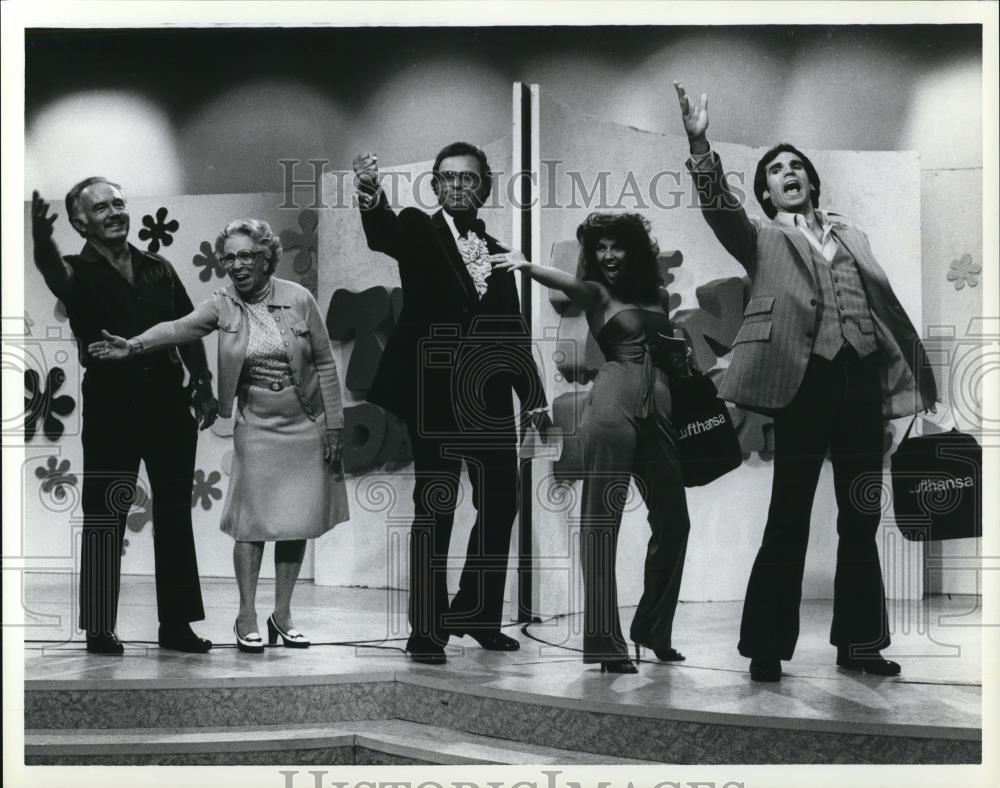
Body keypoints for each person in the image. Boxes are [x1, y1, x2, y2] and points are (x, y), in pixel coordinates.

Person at [673, 82, 937, 682]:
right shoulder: (763, 239)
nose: (788, 173)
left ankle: (860, 644)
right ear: (766, 192)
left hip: (861, 384)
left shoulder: (853, 237)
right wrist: (699, 143)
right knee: (788, 515)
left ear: (811, 183)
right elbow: (719, 208)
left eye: (796, 167)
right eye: (776, 171)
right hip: (802, 383)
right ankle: (766, 646)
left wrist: (899, 394)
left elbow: (880, 311)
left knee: (861, 515)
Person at [89, 218, 349, 653]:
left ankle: (282, 615)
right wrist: (132, 346)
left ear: (267, 257)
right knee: (250, 525)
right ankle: (246, 615)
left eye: (246, 255)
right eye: (229, 257)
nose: (237, 265)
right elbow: (178, 328)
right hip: (258, 425)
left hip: (306, 422)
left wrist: (335, 424)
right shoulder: (223, 304)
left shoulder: (299, 299)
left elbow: (324, 362)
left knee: (296, 522)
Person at [352, 143, 551, 664]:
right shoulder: (419, 228)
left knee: (501, 504)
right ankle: (427, 629)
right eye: (447, 177)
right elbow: (383, 231)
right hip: (434, 394)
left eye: (468, 178)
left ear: (483, 187)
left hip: (488, 398)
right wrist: (370, 192)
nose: (457, 185)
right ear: (435, 185)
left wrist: (533, 396)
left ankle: (478, 615)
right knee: (435, 507)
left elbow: (513, 330)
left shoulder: (500, 251)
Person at [497, 212, 690, 673]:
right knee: (602, 524)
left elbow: (668, 350)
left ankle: (652, 630)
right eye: (599, 249)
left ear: (634, 251)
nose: (607, 256)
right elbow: (569, 283)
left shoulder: (658, 296)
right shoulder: (598, 293)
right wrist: (526, 265)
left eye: (615, 247)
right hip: (612, 407)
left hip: (659, 406)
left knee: (675, 522)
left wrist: (678, 353)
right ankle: (605, 645)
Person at [30, 180, 217, 655]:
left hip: (167, 403)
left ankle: (176, 625)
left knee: (175, 515)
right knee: (105, 515)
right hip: (113, 404)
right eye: (101, 207)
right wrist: (42, 241)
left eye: (118, 203)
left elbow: (187, 327)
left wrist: (202, 382)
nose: (114, 212)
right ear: (79, 222)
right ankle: (98, 627)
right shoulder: (76, 270)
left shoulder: (159, 266)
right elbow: (53, 272)